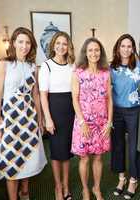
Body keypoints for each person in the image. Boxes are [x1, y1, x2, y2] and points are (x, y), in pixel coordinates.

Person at [0, 27, 47, 200]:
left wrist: (40, 119)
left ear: (32, 45)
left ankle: (25, 192)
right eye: (21, 42)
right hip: (10, 121)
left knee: (28, 158)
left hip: (29, 119)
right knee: (11, 161)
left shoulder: (32, 67)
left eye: (28, 42)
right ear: (14, 43)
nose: (24, 46)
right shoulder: (4, 64)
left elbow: (35, 95)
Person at [71, 37, 113, 200]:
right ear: (85, 53)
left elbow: (109, 99)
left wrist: (109, 122)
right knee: (84, 158)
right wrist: (82, 122)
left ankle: (96, 188)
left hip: (102, 122)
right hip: (83, 123)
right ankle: (85, 190)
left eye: (97, 50)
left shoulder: (105, 73)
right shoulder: (78, 72)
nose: (94, 53)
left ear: (100, 52)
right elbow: (74, 98)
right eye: (90, 50)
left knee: (98, 157)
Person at [39, 31, 75, 200]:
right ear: (53, 45)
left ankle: (66, 185)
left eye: (65, 43)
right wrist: (47, 118)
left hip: (70, 112)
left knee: (67, 152)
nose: (61, 46)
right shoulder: (46, 66)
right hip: (54, 111)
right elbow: (43, 95)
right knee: (55, 152)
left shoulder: (72, 66)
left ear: (69, 47)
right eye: (58, 43)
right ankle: (57, 187)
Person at [110, 34, 140, 199]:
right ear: (118, 48)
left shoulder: (138, 66)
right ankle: (121, 178)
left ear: (133, 48)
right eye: (123, 46)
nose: (126, 49)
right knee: (118, 146)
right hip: (116, 112)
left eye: (129, 46)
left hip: (134, 111)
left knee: (133, 147)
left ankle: (133, 180)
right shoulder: (111, 67)